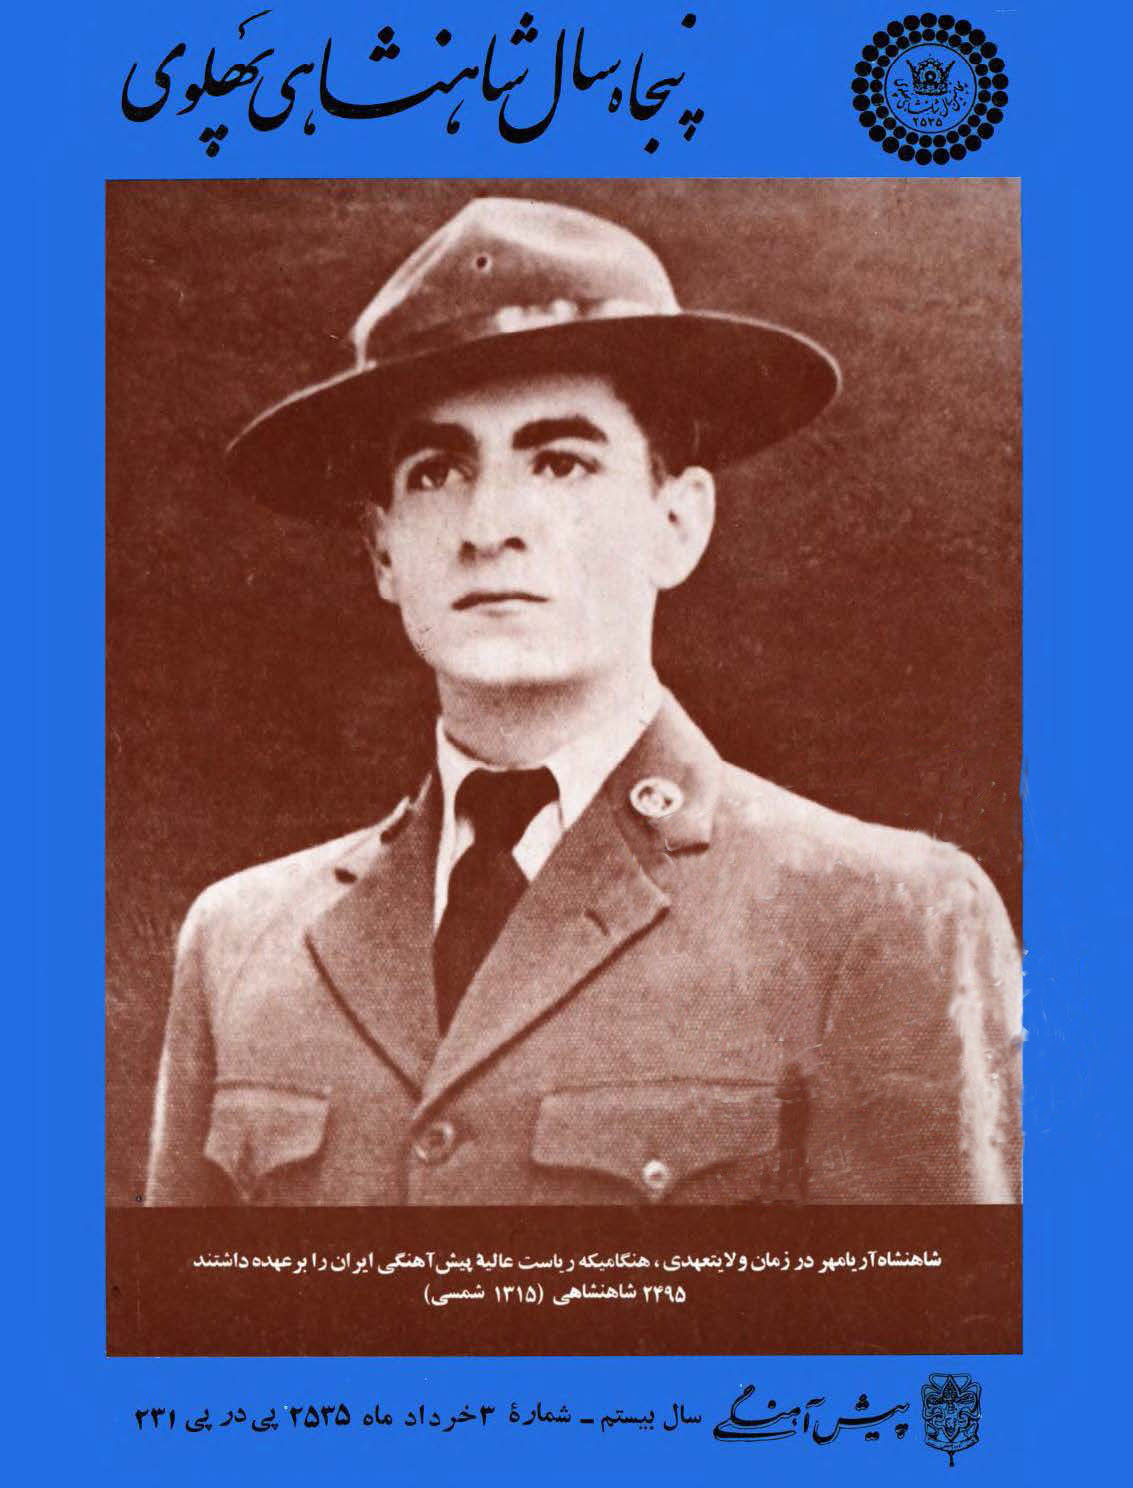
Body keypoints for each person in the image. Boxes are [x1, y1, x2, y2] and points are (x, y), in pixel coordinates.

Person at [145, 196, 1021, 1207]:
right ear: (382, 551)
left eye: (560, 462)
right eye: (434, 472)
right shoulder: (239, 943)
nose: (488, 526)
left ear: (676, 522)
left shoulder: (879, 916)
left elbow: (926, 1310)